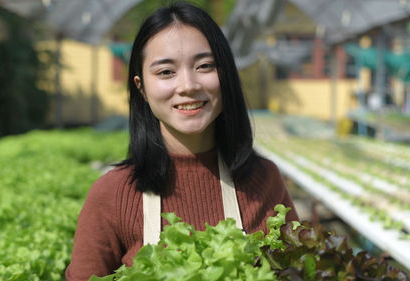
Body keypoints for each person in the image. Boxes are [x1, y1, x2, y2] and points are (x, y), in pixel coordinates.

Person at [65, 2, 299, 280]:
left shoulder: (264, 182)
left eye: (205, 66)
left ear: (225, 76)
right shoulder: (111, 195)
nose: (188, 85)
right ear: (141, 88)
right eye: (166, 71)